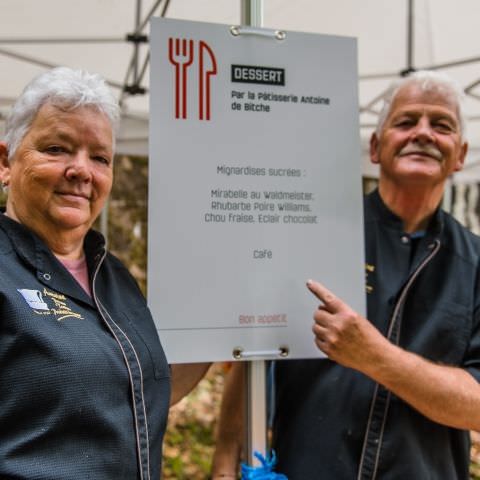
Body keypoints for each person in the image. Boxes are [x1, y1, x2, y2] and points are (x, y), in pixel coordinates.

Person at [211, 70, 480, 479]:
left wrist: (375, 357)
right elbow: (253, 348)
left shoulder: (475, 263)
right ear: (375, 147)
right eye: (406, 121)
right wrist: (225, 465)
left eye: (441, 125)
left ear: (460, 155)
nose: (423, 133)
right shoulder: (309, 234)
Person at [0, 66, 208, 479]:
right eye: (57, 149)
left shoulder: (114, 277)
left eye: (100, 158)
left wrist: (226, 327)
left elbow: (130, 392)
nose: (82, 171)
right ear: (5, 162)